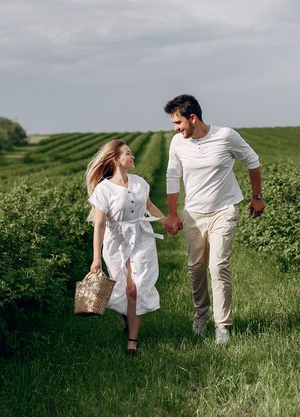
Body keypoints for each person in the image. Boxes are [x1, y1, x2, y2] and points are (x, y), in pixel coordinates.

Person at [164, 94, 264, 344]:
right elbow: (172, 176)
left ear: (193, 117)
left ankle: (222, 325)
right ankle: (201, 313)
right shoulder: (178, 143)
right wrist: (173, 213)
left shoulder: (225, 136)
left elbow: (252, 161)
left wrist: (257, 196)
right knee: (195, 268)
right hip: (194, 214)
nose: (176, 128)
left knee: (218, 266)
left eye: (178, 123)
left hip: (224, 210)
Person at [85, 140, 169, 355]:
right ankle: (128, 320)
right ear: (116, 160)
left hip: (142, 238)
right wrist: (96, 259)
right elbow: (100, 225)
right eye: (128, 154)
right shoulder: (103, 190)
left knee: (137, 288)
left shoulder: (140, 182)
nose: (133, 157)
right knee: (128, 289)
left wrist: (167, 221)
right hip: (118, 242)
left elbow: (149, 206)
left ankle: (132, 340)